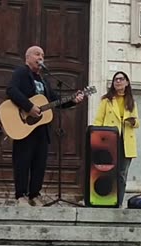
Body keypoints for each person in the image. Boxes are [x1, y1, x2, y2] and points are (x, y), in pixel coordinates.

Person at [6, 46, 84, 207]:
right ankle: (21, 195)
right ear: (28, 58)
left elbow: (55, 101)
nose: (40, 57)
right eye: (37, 54)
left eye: (42, 55)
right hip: (24, 126)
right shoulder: (21, 73)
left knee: (39, 163)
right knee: (22, 161)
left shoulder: (44, 80)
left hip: (41, 129)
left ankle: (35, 195)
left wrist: (72, 100)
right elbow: (11, 90)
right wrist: (29, 107)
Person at [93, 71, 139, 207]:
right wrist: (97, 138)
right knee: (108, 173)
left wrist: (132, 122)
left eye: (121, 79)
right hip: (109, 142)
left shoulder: (131, 101)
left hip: (126, 142)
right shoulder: (106, 100)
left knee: (122, 175)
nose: (118, 82)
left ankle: (118, 203)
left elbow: (137, 122)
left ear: (127, 82)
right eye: (115, 80)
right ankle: (105, 201)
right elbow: (98, 121)